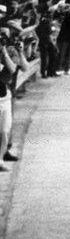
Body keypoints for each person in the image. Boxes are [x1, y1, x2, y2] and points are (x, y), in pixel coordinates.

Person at [0, 33, 27, 171]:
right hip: (4, 94)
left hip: (7, 95)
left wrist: (18, 52)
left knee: (6, 128)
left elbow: (20, 68)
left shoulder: (9, 52)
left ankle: (4, 154)